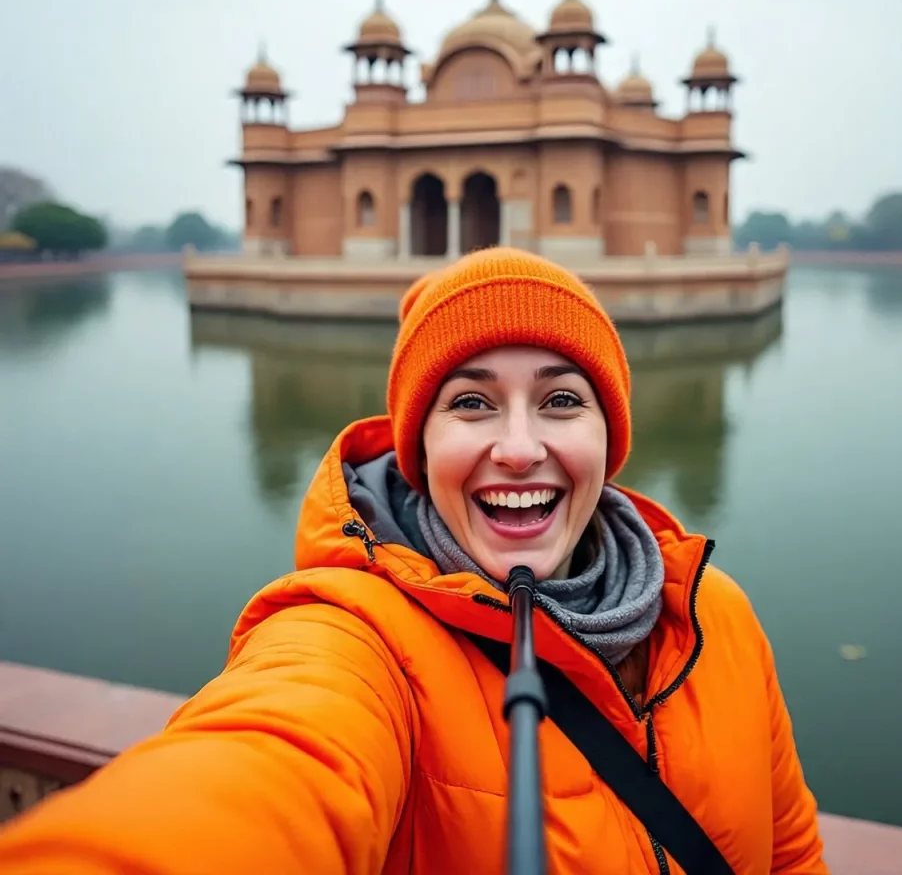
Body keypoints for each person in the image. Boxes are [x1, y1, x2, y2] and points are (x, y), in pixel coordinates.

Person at [0, 248, 827, 874]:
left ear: (610, 438)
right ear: (416, 450)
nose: (518, 446)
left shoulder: (711, 611)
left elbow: (790, 851)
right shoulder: (360, 639)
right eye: (469, 403)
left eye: (562, 400)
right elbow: (271, 760)